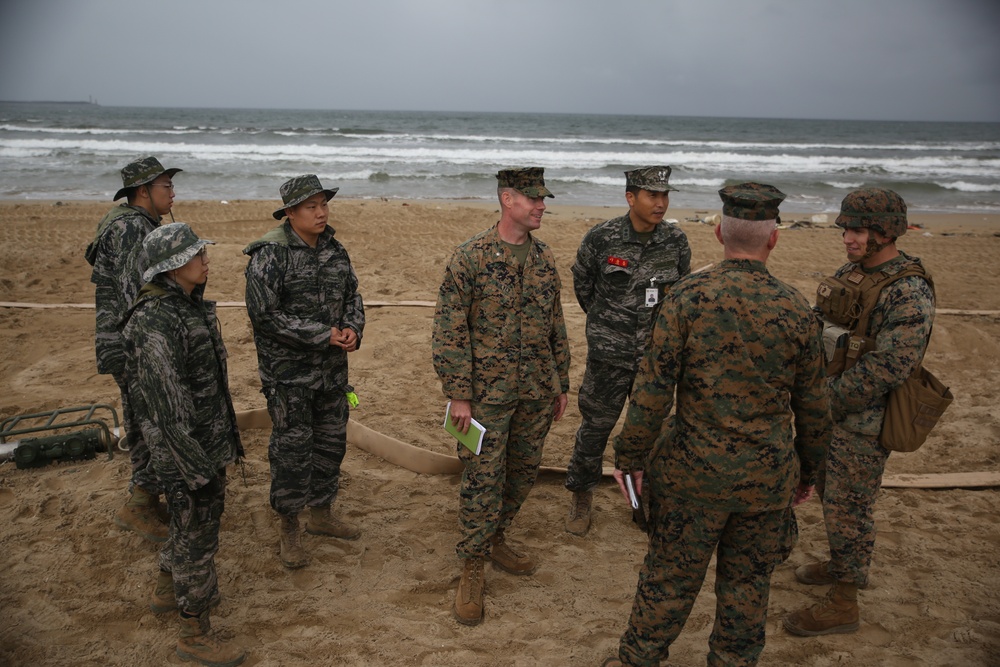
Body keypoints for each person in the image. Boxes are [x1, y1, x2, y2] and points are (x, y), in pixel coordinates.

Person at [603, 183, 831, 666]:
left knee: (667, 582)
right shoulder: (795, 310)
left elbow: (651, 391)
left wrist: (630, 459)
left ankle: (639, 659)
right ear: (773, 239)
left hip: (692, 477)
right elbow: (814, 410)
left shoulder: (687, 298)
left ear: (718, 232)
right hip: (765, 482)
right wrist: (806, 474)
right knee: (747, 591)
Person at [784, 188, 935, 637]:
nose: (848, 238)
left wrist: (824, 401)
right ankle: (839, 565)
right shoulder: (850, 274)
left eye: (858, 230)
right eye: (847, 229)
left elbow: (890, 367)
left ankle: (844, 602)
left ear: (885, 232)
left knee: (850, 508)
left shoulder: (908, 291)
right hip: (834, 412)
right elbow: (821, 325)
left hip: (864, 424)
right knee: (833, 500)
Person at [432, 167, 571, 626]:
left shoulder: (545, 258)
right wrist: (459, 396)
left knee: (524, 472)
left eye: (543, 199)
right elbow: (450, 331)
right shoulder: (469, 257)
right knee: (481, 478)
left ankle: (497, 537)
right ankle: (472, 563)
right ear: (508, 199)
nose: (541, 206)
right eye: (533, 199)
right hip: (484, 397)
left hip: (535, 389)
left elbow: (556, 324)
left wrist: (561, 382)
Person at [121, 223, 245, 667]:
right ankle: (194, 631)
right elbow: (168, 408)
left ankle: (164, 590)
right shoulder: (156, 320)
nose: (205, 260)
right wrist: (197, 470)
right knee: (198, 536)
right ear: (173, 267)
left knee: (186, 523)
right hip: (186, 451)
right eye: (197, 255)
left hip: (204, 440)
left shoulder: (184, 306)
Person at [244, 174, 366, 570]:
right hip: (289, 377)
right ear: (291, 213)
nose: (321, 212)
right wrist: (322, 334)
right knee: (292, 452)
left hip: (332, 373)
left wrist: (352, 328)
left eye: (324, 204)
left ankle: (322, 515)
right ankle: (289, 529)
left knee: (330, 444)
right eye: (311, 207)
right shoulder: (269, 254)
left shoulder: (335, 249)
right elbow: (264, 317)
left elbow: (353, 296)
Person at [564, 166, 691, 535]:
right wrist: (607, 325)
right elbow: (583, 283)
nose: (661, 203)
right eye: (652, 195)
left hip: (655, 359)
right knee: (596, 427)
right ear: (630, 197)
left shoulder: (675, 241)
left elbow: (678, 294)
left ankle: (644, 497)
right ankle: (581, 494)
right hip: (609, 355)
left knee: (650, 432)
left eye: (665, 195)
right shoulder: (602, 238)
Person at [85, 156, 181, 542]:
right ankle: (140, 503)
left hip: (128, 340)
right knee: (152, 421)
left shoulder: (132, 223)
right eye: (165, 187)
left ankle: (145, 497)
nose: (173, 193)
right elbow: (135, 294)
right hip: (135, 344)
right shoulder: (130, 230)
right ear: (144, 191)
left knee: (144, 419)